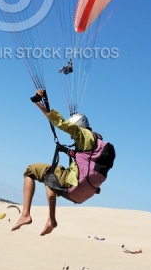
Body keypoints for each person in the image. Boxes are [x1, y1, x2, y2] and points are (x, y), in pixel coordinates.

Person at [12, 89, 110, 236]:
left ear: (78, 126)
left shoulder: (83, 134)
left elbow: (60, 122)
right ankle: (51, 220)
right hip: (84, 191)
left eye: (73, 131)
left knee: (30, 170)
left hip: (74, 184)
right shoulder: (97, 141)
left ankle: (25, 214)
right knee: (50, 176)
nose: (71, 136)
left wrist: (38, 102)